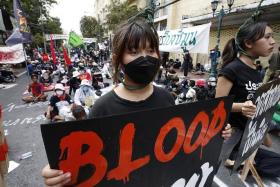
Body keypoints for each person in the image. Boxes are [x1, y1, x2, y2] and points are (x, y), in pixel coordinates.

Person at [41, 18, 232, 186]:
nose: (145, 58)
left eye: (150, 50)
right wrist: (59, 175)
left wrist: (214, 132)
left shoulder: (165, 97)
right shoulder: (103, 108)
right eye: (133, 52)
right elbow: (87, 165)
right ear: (119, 60)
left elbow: (179, 143)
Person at [215, 21, 275, 163]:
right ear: (248, 43)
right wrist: (241, 107)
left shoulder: (258, 71)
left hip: (249, 136)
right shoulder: (231, 69)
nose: (273, 42)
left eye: (272, 36)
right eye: (267, 37)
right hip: (231, 137)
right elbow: (218, 105)